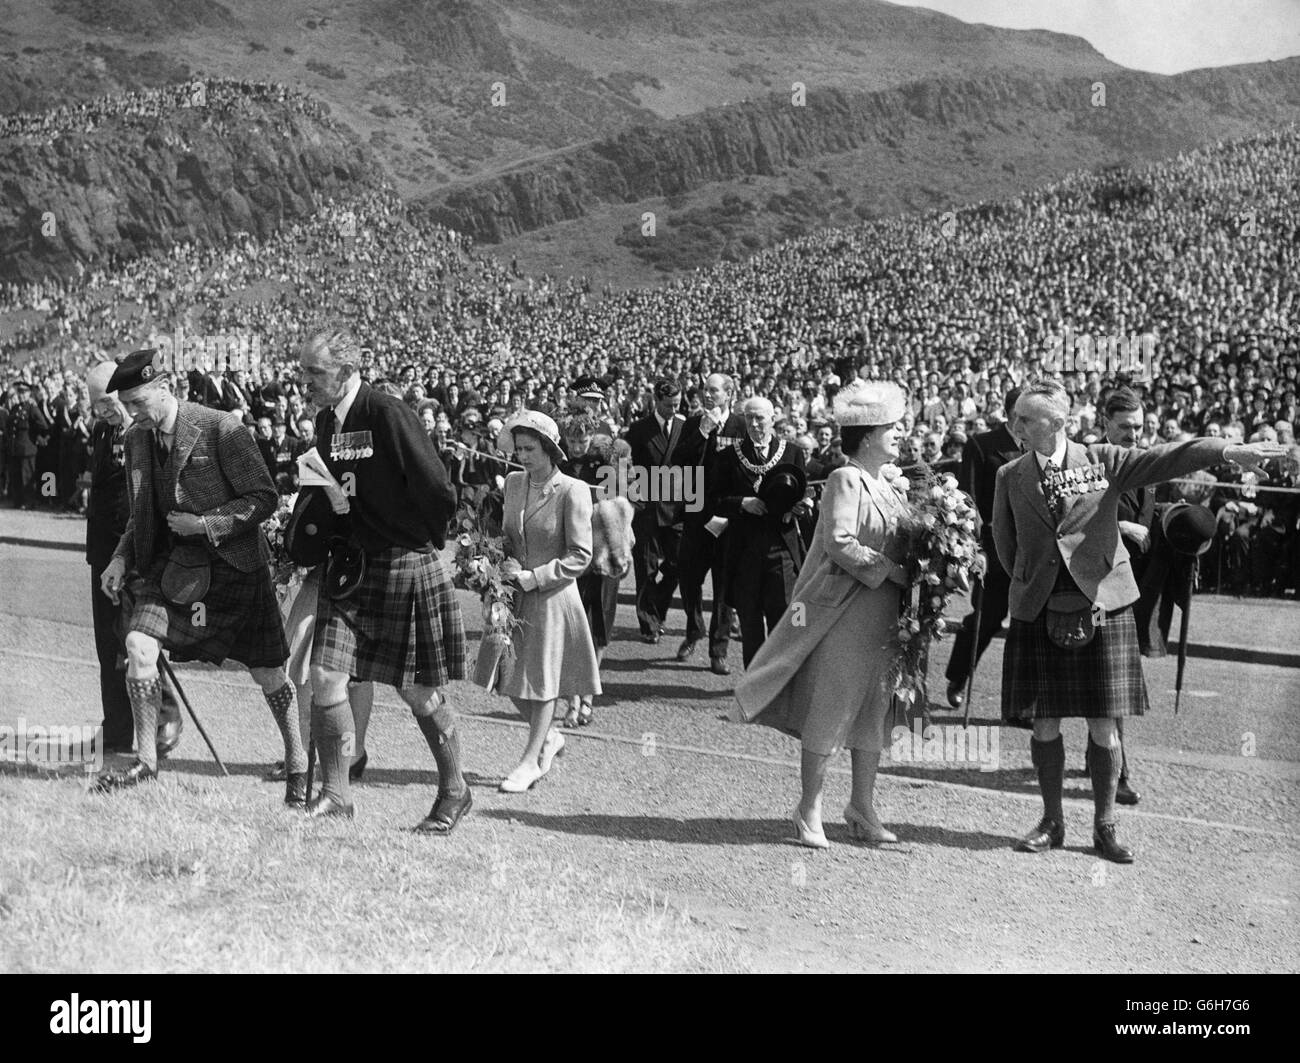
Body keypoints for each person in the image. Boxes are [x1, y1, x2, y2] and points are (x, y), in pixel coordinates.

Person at [993, 377, 1286, 863]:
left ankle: (1105, 826)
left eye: (1024, 418)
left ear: (1059, 422)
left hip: (1103, 604)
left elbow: (1170, 456)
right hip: (1039, 607)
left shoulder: (1104, 460)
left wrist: (1229, 450)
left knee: (1104, 725)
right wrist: (1035, 584)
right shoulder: (1010, 475)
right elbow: (1006, 547)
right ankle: (1051, 821)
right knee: (1044, 722)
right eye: (1015, 417)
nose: (1013, 424)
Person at [94, 349, 304, 802]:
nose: (131, 414)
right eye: (126, 405)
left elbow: (263, 497)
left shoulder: (220, 428)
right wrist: (118, 559)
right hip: (170, 572)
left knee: (268, 673)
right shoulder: (135, 441)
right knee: (137, 645)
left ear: (165, 388)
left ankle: (298, 765)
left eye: (137, 402)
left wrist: (205, 524)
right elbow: (139, 517)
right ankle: (146, 761)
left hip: (235, 567)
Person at [297, 322, 471, 830]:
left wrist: (416, 538)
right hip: (351, 569)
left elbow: (439, 491)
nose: (306, 381)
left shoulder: (388, 413)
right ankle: (336, 794)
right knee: (326, 675)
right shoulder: (328, 421)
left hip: (403, 563)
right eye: (303, 370)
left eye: (316, 372)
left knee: (417, 692)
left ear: (348, 370)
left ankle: (455, 791)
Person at [733, 381, 911, 848]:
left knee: (874, 709)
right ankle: (808, 807)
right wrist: (893, 570)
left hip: (885, 614)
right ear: (868, 435)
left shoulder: (890, 486)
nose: (900, 433)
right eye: (892, 427)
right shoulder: (845, 479)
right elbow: (839, 542)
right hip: (845, 612)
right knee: (833, 707)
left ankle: (861, 807)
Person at [496, 411, 600, 791]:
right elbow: (508, 535)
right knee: (502, 676)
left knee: (540, 683)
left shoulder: (573, 490)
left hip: (552, 597)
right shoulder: (512, 483)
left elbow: (580, 555)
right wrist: (489, 564)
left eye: (530, 449)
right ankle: (550, 738)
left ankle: (531, 760)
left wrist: (535, 577)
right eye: (519, 448)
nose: (522, 455)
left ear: (550, 450)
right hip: (512, 596)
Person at [84, 362, 181, 755]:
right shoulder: (102, 430)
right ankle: (118, 729)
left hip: (136, 554)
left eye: (109, 403)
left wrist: (132, 556)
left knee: (137, 641)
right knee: (109, 646)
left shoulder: (144, 433)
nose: (104, 412)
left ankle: (163, 718)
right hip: (101, 552)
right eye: (96, 406)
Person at [710, 396, 807, 667]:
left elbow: (802, 495)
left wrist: (798, 507)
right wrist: (743, 503)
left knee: (784, 620)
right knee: (750, 622)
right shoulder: (728, 456)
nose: (754, 424)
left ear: (773, 418)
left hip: (781, 549)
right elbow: (713, 500)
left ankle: (777, 684)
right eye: (749, 418)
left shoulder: (793, 453)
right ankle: (752, 684)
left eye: (760, 418)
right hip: (744, 551)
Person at [1091, 386, 1153, 805]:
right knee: (1108, 685)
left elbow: (1150, 519)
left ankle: (1103, 755)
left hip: (1133, 586)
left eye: (1140, 427)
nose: (1134, 434)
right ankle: (1120, 770)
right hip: (1095, 586)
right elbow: (1077, 515)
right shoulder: (1090, 462)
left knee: (1112, 685)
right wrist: (1121, 528)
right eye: (1126, 427)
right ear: (1105, 425)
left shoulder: (1144, 465)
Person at [945, 387, 1022, 709]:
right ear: (1012, 412)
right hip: (994, 545)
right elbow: (968, 497)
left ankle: (1020, 700)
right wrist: (976, 547)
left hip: (1033, 550)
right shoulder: (982, 444)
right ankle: (959, 675)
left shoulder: (1043, 446)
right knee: (988, 618)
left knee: (1027, 624)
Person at [674, 372, 745, 673]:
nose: (708, 395)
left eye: (714, 391)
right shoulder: (693, 423)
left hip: (727, 516)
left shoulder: (741, 425)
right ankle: (694, 628)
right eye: (705, 390)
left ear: (729, 394)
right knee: (689, 578)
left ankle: (719, 649)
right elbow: (677, 462)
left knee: (724, 586)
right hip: (695, 513)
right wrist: (702, 432)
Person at [559, 412, 625, 728]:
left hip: (601, 557)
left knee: (597, 632)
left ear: (592, 439)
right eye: (571, 441)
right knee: (573, 633)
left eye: (581, 441)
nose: (575, 447)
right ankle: (572, 701)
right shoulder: (559, 464)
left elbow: (621, 507)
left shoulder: (606, 466)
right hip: (572, 556)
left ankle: (588, 699)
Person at [624, 378, 687, 644]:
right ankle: (649, 624)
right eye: (669, 404)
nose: (674, 408)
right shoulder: (639, 430)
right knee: (646, 568)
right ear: (657, 402)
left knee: (679, 565)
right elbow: (626, 469)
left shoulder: (686, 427)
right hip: (647, 509)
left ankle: (657, 607)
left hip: (678, 508)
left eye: (678, 403)